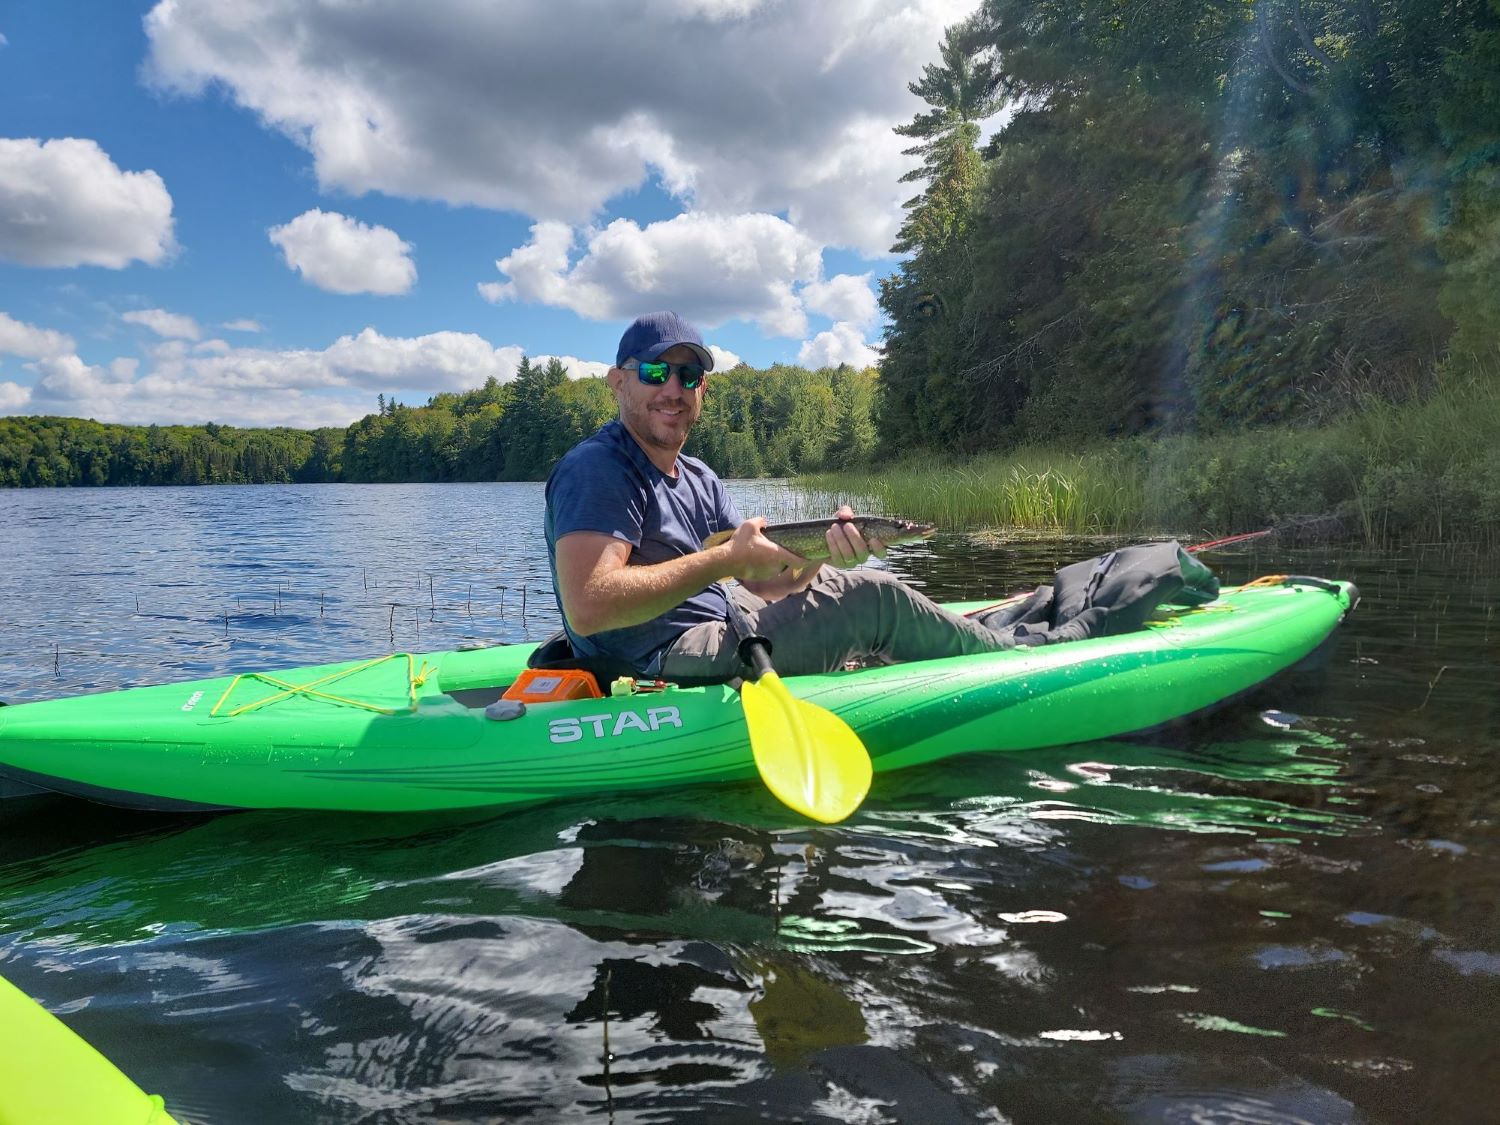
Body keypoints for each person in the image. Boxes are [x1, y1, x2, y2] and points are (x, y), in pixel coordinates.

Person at [543, 311, 1017, 682]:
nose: (673, 389)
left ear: (702, 389)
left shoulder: (699, 477)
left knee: (841, 582)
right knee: (876, 601)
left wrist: (821, 556)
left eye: (688, 377)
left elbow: (769, 584)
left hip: (722, 621)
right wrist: (724, 562)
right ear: (617, 381)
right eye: (654, 371)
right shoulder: (597, 468)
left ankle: (983, 646)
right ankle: (1017, 664)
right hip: (658, 661)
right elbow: (588, 608)